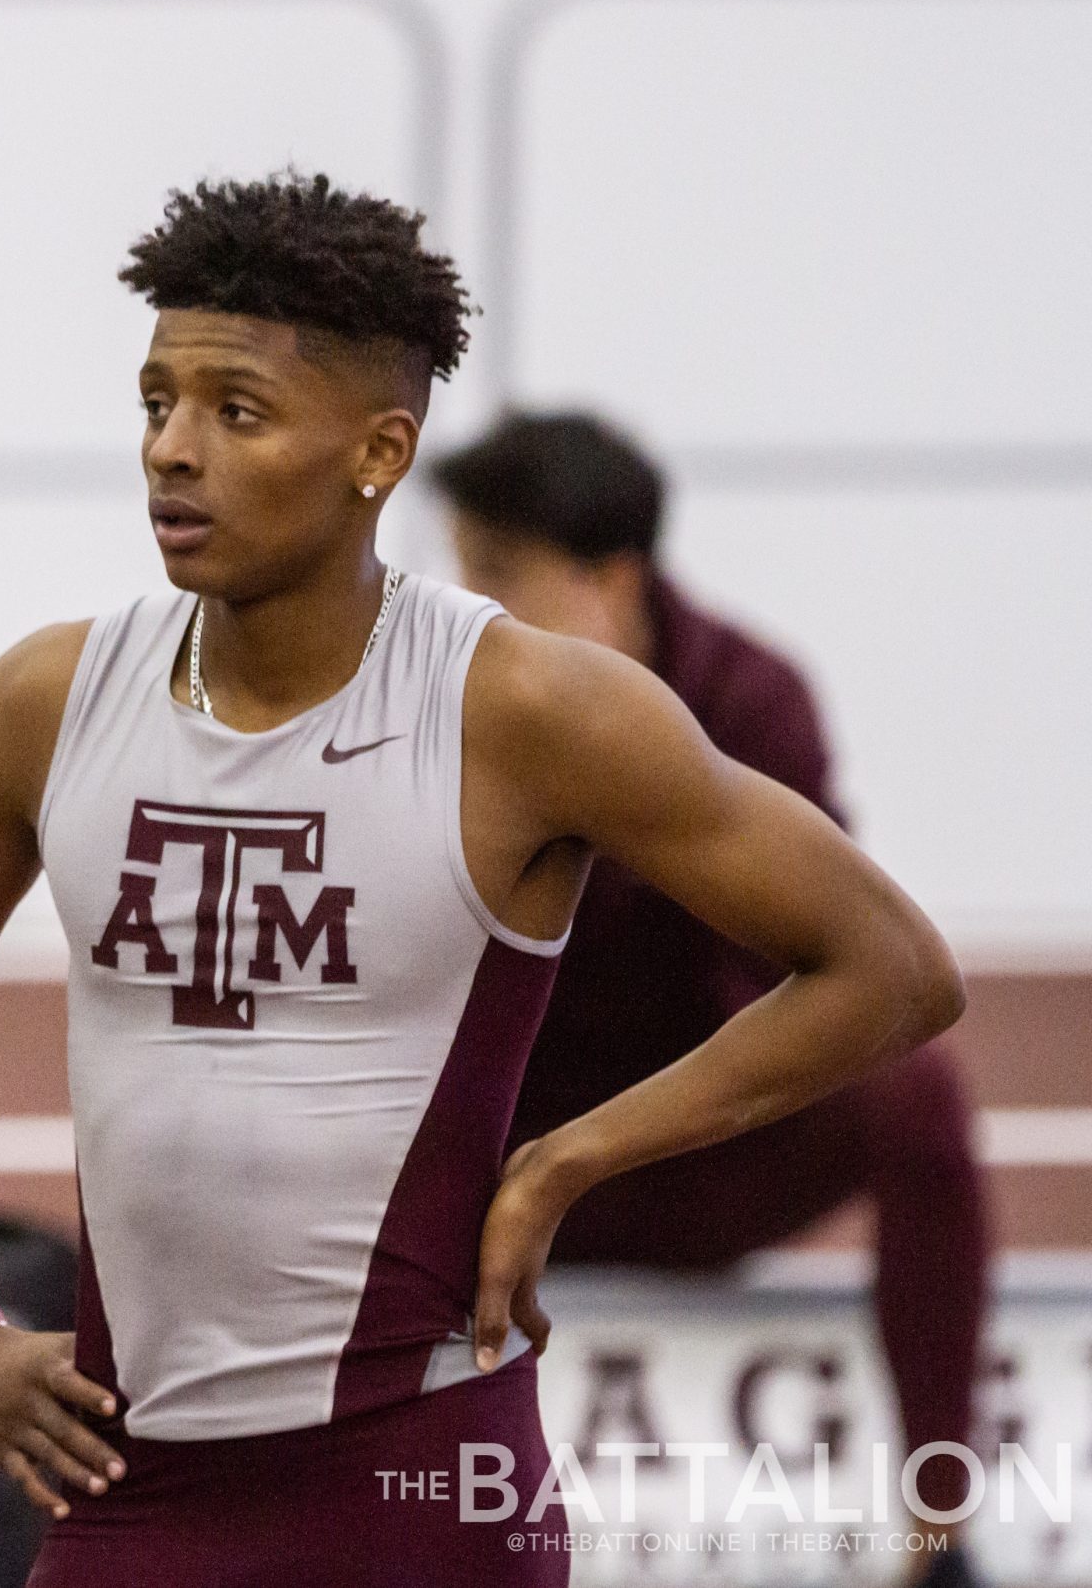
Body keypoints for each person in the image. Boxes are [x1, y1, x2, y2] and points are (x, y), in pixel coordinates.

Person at [0, 172, 965, 1587]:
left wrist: (569, 1158)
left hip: (423, 1491)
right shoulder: (47, 701)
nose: (172, 451)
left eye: (234, 412)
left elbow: (894, 968)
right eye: (156, 400)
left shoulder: (530, 710)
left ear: (379, 450)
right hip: (135, 1493)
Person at [435, 412, 991, 1584]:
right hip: (484, 1182)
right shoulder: (439, 708)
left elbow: (826, 989)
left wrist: (622, 815)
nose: (463, 600)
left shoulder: (747, 704)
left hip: (689, 1146)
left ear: (610, 581)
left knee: (917, 1097)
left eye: (494, 573)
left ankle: (939, 1538)